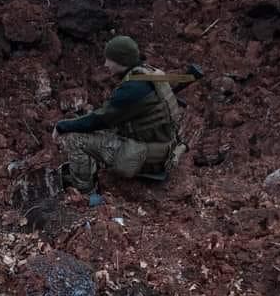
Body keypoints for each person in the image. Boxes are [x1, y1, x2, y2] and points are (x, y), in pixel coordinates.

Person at [52, 35, 184, 193]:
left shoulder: (133, 88)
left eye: (109, 59)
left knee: (75, 138)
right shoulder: (149, 73)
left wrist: (63, 126)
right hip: (163, 149)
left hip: (147, 158)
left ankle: (84, 193)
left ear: (122, 60)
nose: (105, 64)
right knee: (93, 129)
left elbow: (100, 119)